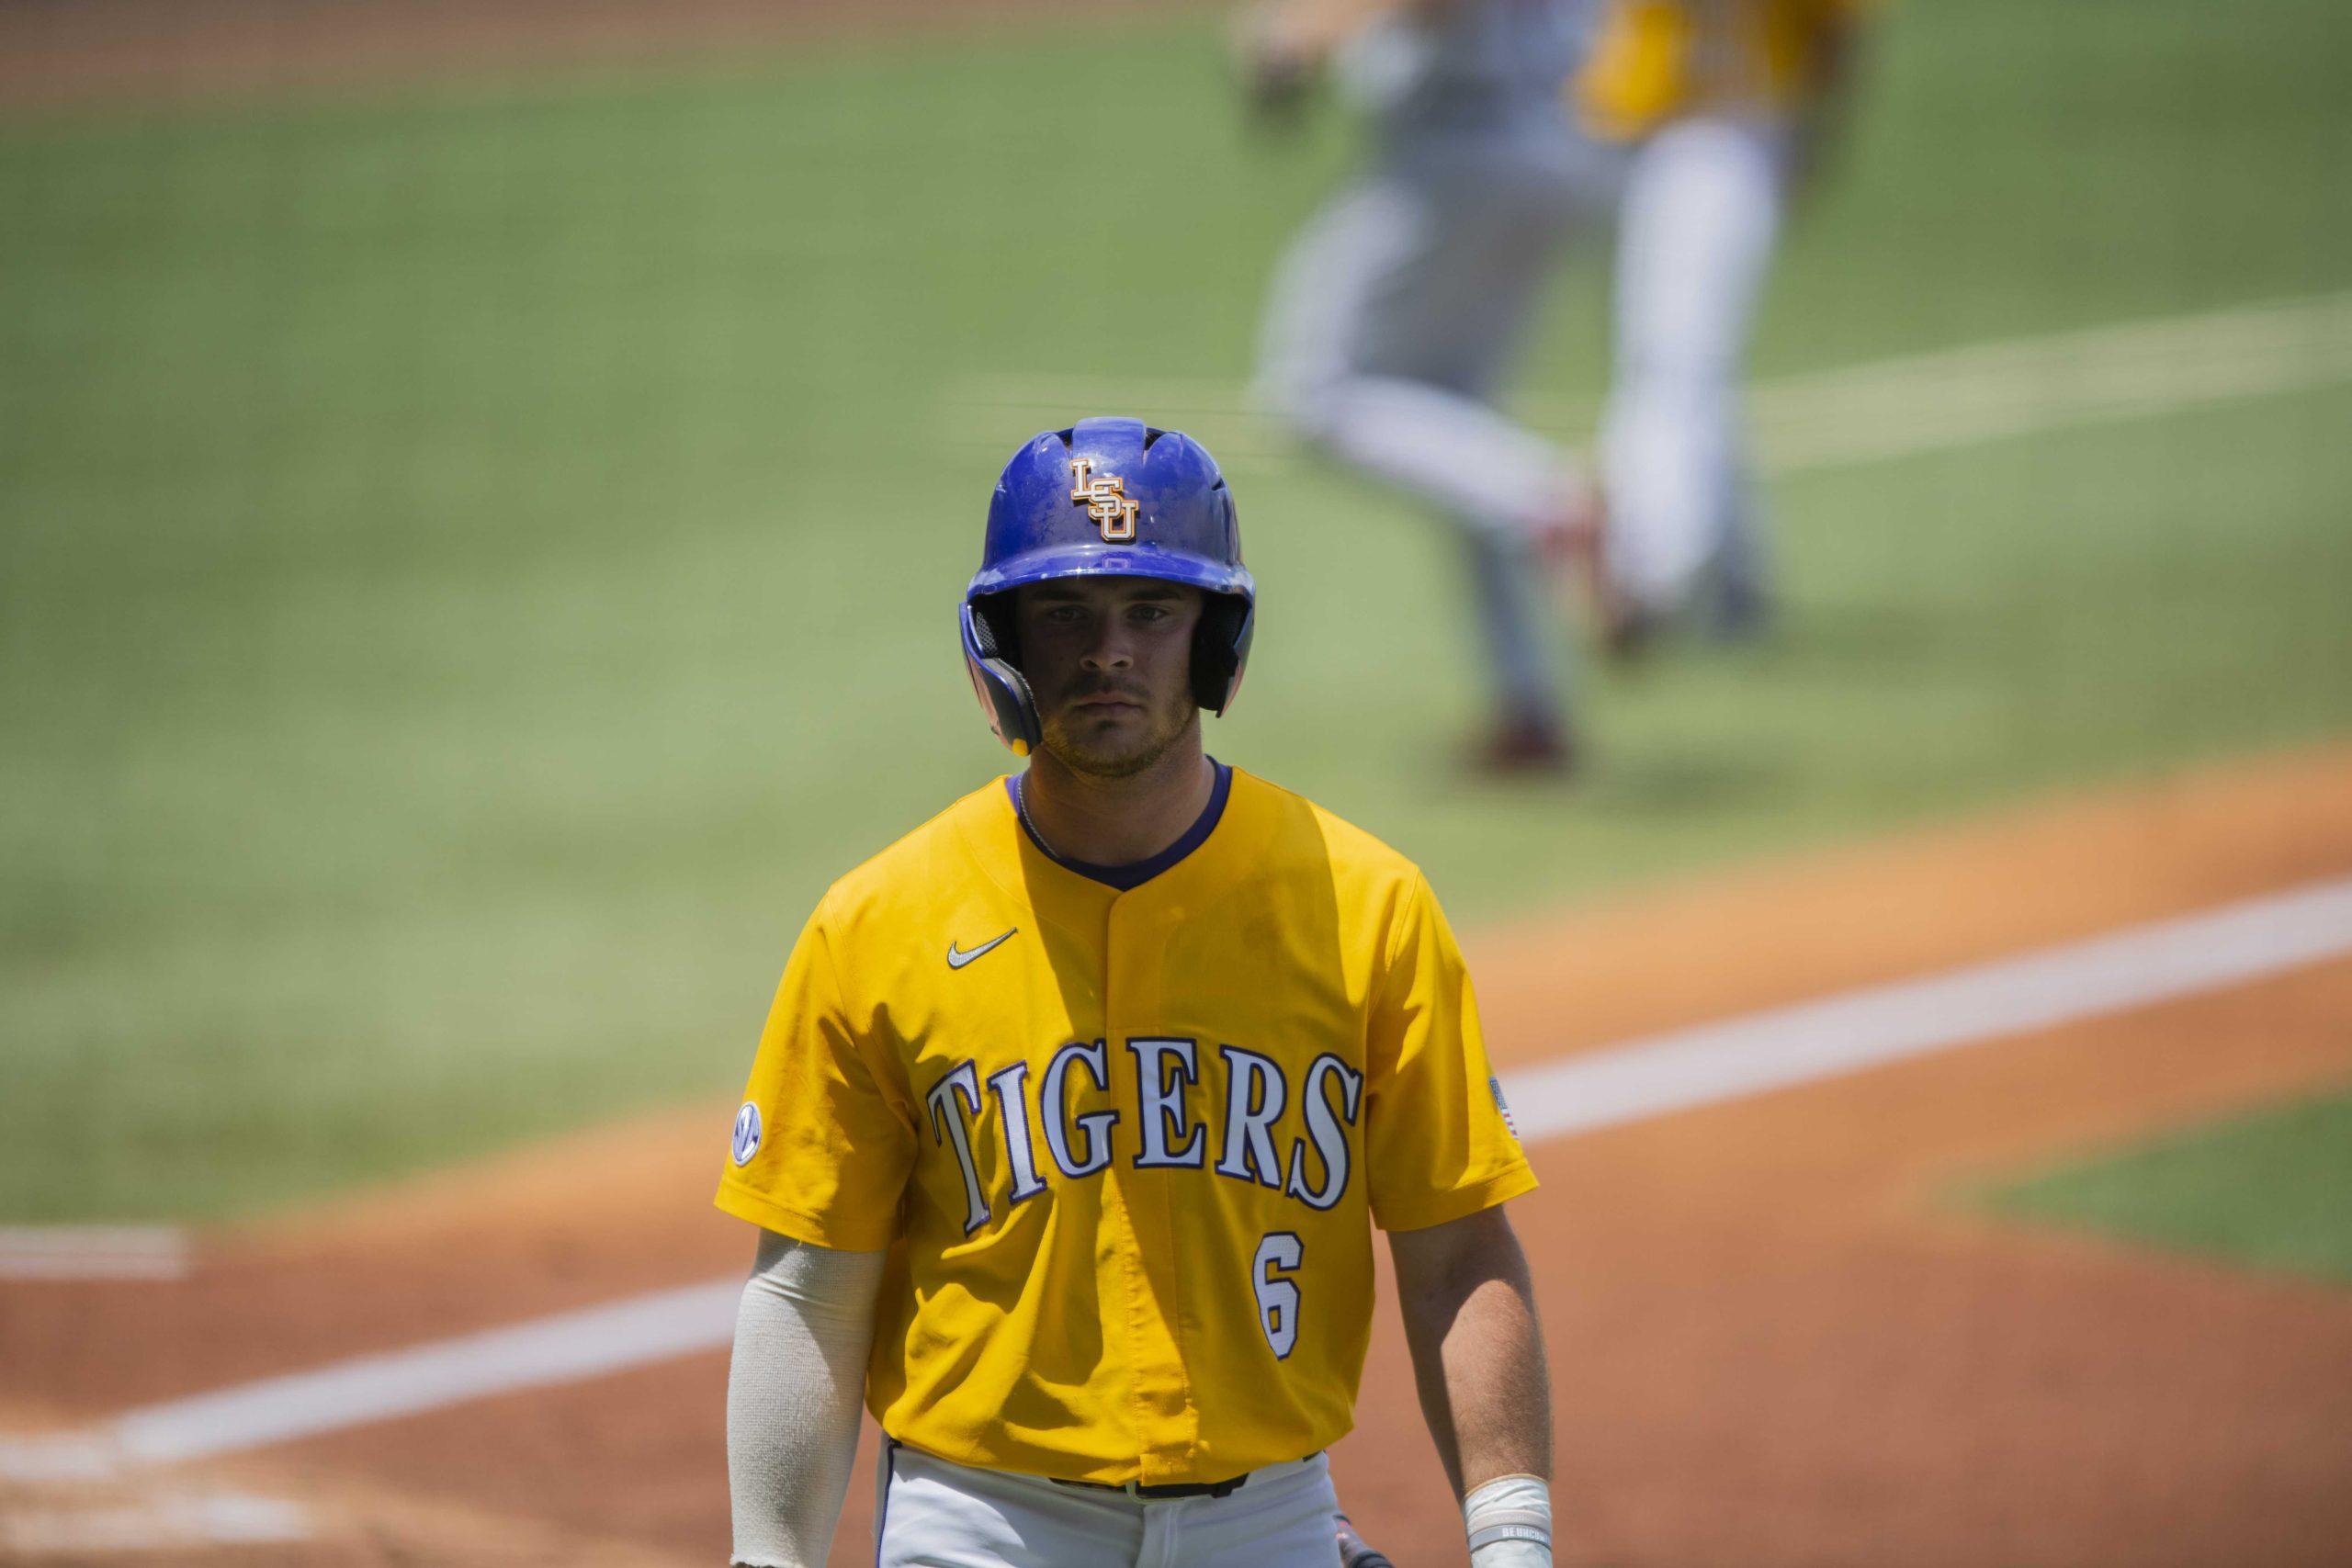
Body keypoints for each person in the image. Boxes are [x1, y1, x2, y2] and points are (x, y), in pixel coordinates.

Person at [718, 417, 1556, 1567]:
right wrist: (768, 1560)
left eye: (1152, 614)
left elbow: (1457, 1252)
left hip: (1272, 1520)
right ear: (1001, 646)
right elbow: (811, 1289)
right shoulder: (879, 923)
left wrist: (1512, 1540)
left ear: (1214, 646)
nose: (1107, 650)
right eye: (1063, 613)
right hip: (982, 1524)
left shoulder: (1366, 905)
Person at [1240, 0, 1615, 772]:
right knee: (1457, 423)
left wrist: (1298, 37)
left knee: (1311, 394)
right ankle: (1530, 707)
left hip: (1457, 154)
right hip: (1553, 146)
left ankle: (1549, 501)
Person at [1578, 0, 1869, 649]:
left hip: (1727, 133)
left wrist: (1815, 134)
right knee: (1681, 360)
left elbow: (1841, 30)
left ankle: (1650, 573)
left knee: (1672, 358)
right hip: (1623, 137)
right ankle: (1738, 586)